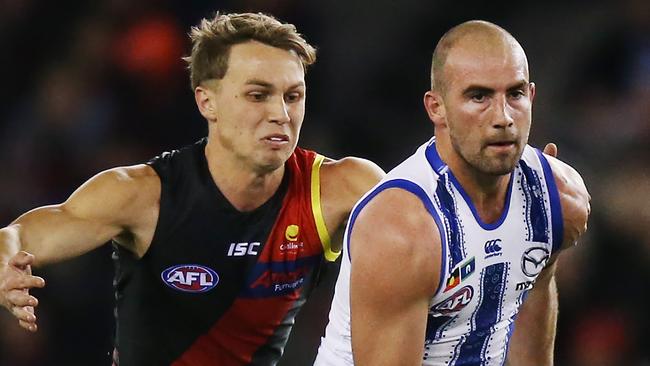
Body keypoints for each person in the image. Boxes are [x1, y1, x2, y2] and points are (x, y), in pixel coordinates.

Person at [0, 12, 384, 366]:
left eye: (292, 96)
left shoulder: (341, 188)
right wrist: (5, 265)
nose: (281, 114)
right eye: (257, 95)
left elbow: (429, 236)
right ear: (207, 101)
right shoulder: (146, 194)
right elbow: (17, 234)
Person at [315, 20, 591, 366]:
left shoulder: (558, 200)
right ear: (436, 108)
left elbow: (532, 301)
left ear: (532, 96)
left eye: (515, 94)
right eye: (479, 96)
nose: (503, 117)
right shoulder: (403, 230)